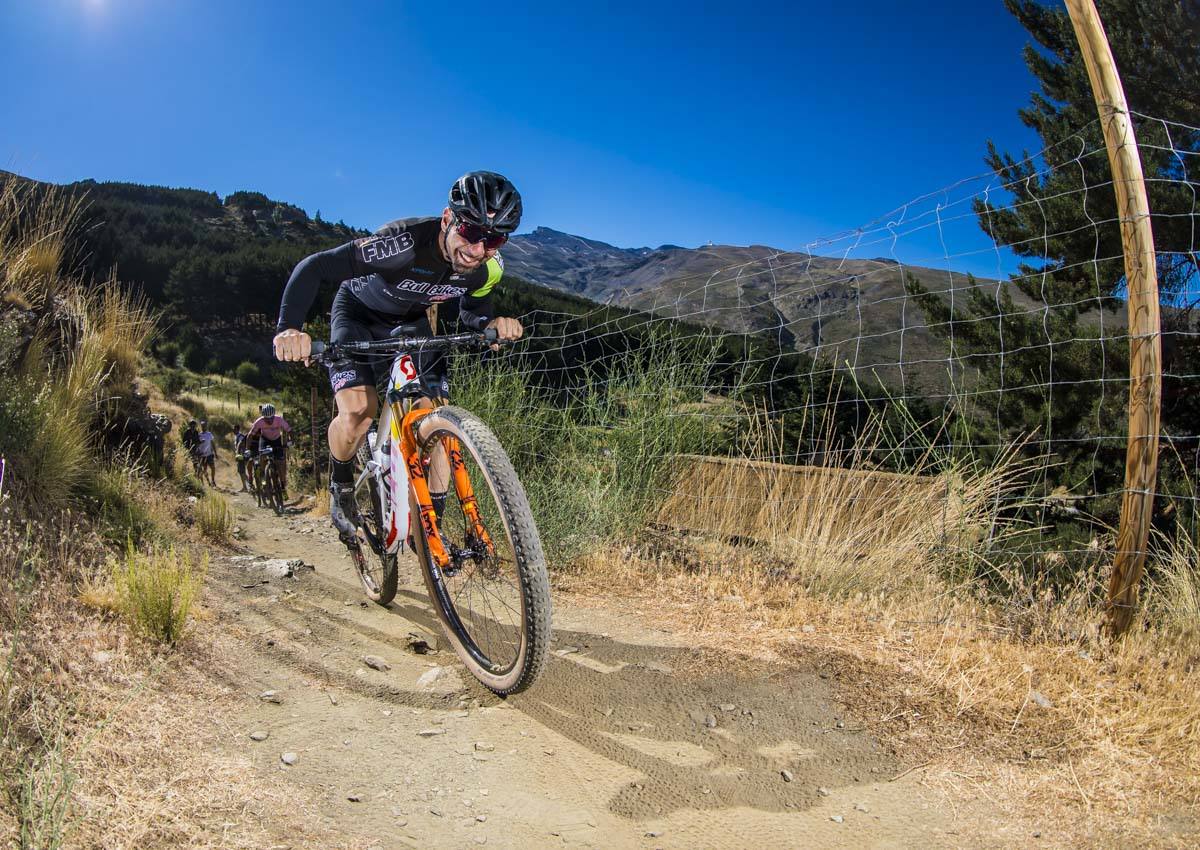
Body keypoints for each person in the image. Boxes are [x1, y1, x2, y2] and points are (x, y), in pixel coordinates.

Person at [272, 171, 525, 540]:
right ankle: (341, 485)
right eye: (470, 233)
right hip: (359, 315)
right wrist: (289, 327)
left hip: (412, 322)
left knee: (437, 420)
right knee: (359, 411)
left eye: (494, 240)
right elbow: (316, 267)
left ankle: (428, 532)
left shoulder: (488, 267)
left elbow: (473, 312)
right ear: (446, 219)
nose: (477, 250)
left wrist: (492, 324)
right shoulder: (400, 245)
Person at [246, 403, 292, 498]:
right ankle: (263, 476)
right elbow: (250, 435)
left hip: (276, 440)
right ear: (263, 417)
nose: (269, 420)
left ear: (274, 415)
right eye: (267, 418)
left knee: (282, 463)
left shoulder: (279, 419)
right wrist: (247, 449)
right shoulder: (259, 421)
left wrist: (291, 441)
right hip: (265, 439)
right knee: (262, 456)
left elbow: (290, 430)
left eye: (271, 418)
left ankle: (283, 487)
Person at [195, 419, 217, 487]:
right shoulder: (199, 435)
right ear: (201, 426)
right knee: (205, 470)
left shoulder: (209, 434)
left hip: (209, 454)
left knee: (213, 468)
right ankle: (208, 482)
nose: (203, 427)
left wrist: (215, 453)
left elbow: (212, 443)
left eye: (204, 425)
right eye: (202, 425)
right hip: (203, 455)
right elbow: (197, 444)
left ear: (206, 426)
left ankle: (213, 481)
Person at [233, 424, 250, 492]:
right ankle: (248, 485)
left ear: (237, 429)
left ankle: (246, 487)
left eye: (234, 429)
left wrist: (240, 455)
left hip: (241, 456)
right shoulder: (237, 436)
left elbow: (243, 446)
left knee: (241, 471)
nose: (233, 430)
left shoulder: (240, 436)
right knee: (241, 472)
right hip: (240, 456)